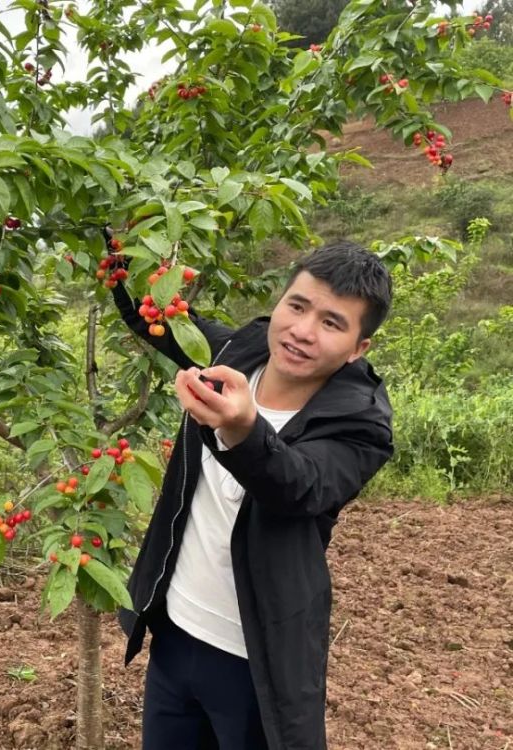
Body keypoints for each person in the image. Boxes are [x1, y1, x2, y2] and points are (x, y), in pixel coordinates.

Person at [111, 240, 394, 749]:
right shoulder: (237, 352)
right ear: (280, 302)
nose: (303, 332)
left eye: (332, 323)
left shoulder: (360, 423)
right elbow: (164, 323)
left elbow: (299, 487)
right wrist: (116, 254)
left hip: (255, 658)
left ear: (358, 348)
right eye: (298, 306)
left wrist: (243, 430)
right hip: (174, 632)